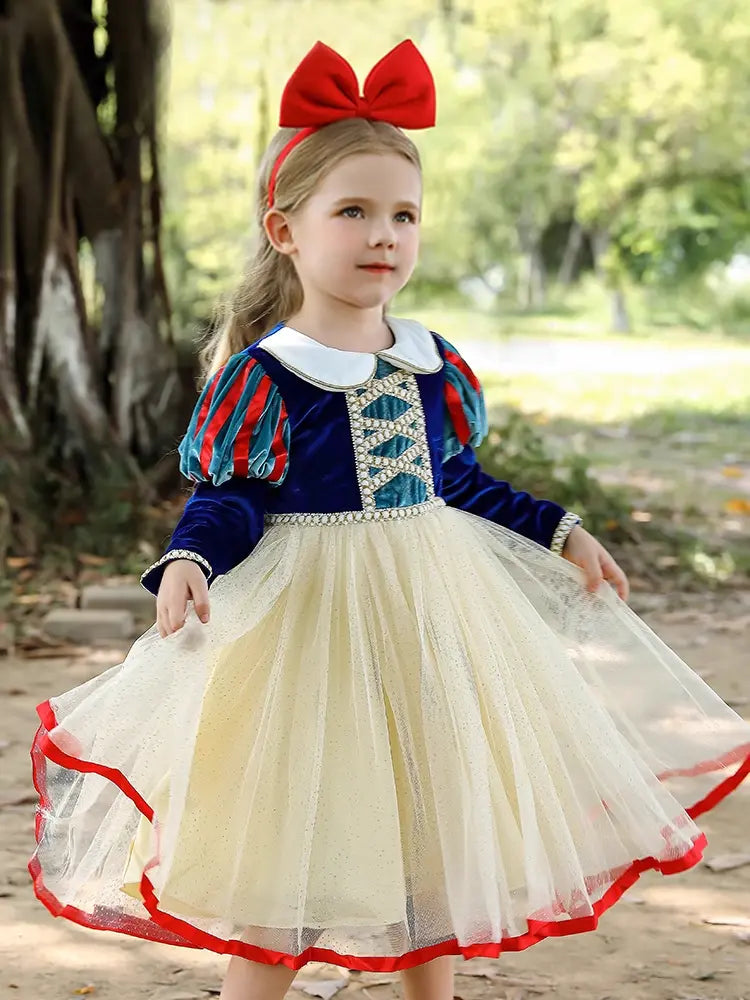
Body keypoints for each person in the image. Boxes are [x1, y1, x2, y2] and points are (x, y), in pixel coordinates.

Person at [29, 39, 750, 1000]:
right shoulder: (269, 375)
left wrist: (560, 530)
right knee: (296, 831)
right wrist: (192, 560)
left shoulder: (428, 364)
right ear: (285, 230)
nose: (384, 235)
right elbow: (231, 497)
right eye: (354, 212)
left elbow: (460, 482)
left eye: (403, 215)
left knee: (431, 822)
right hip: (311, 634)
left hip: (428, 622)